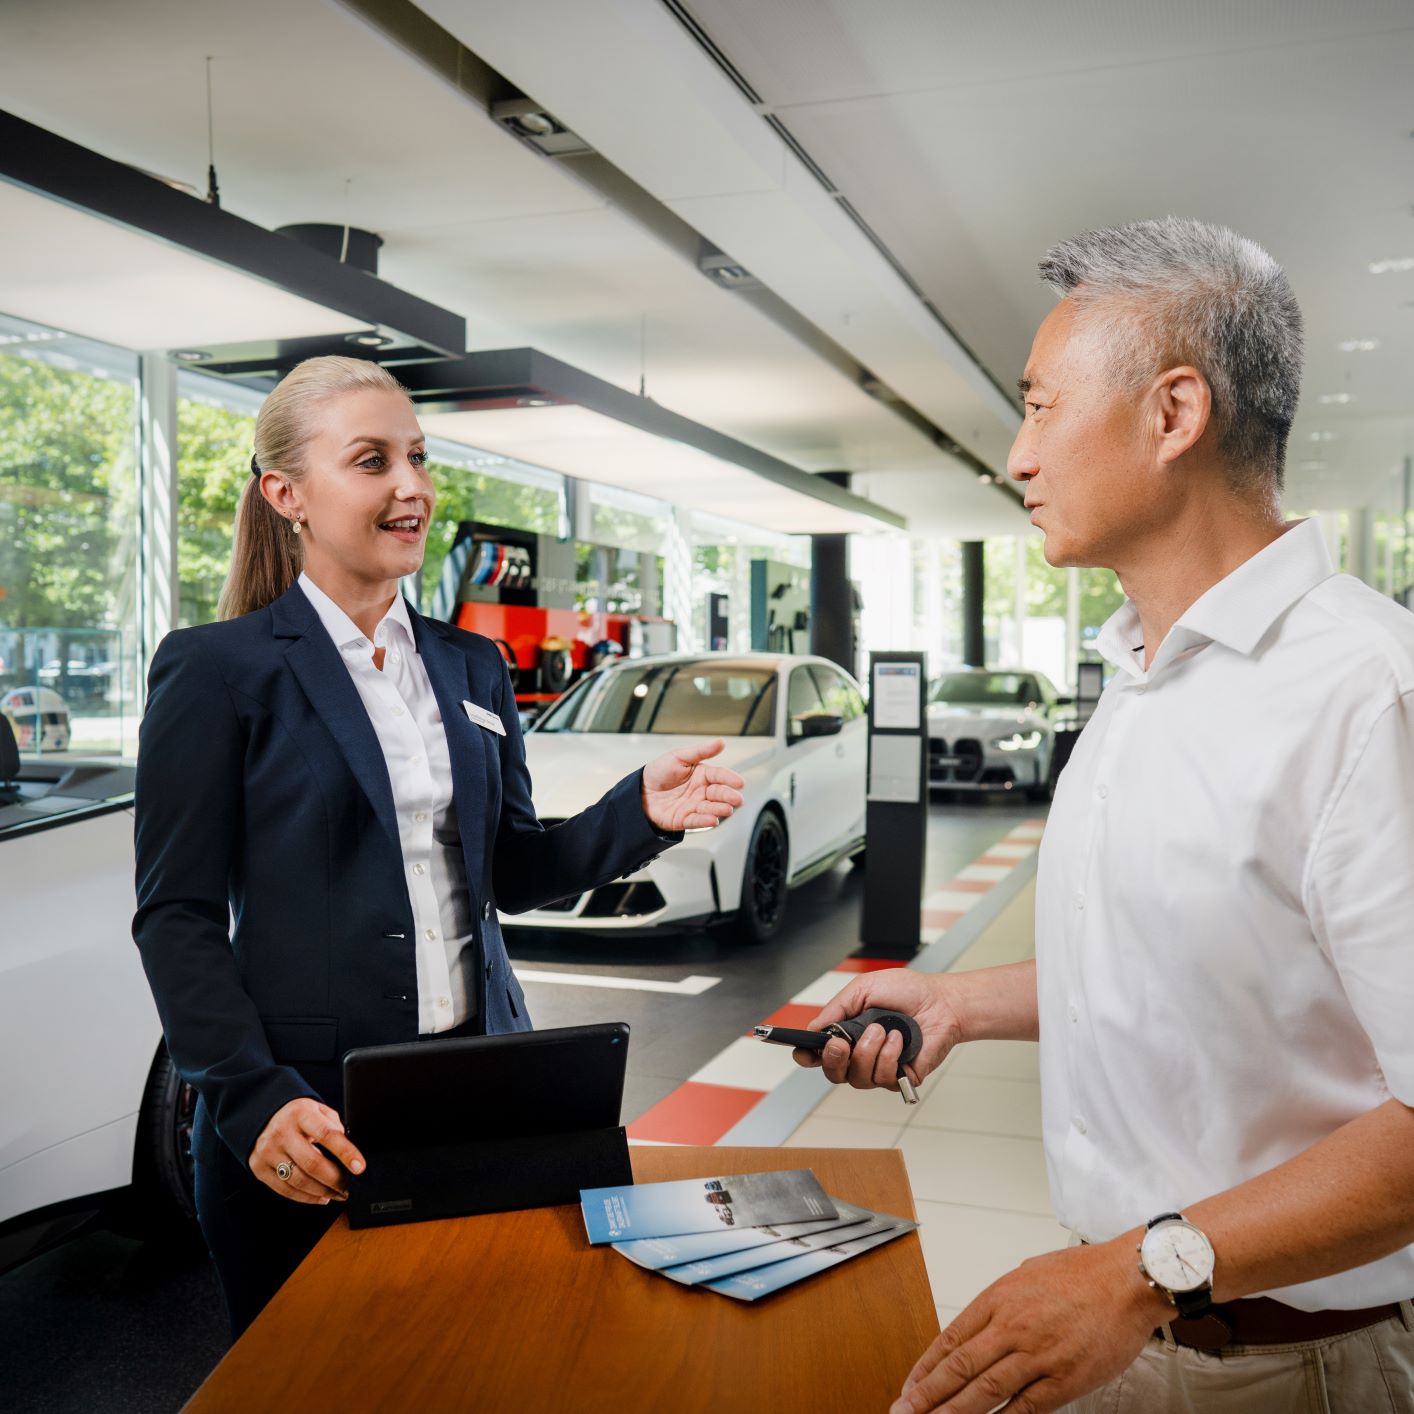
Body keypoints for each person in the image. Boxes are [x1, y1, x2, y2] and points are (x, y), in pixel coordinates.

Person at [797, 218, 1414, 1413]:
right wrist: (960, 1004)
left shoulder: (1366, 694)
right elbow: (1182, 959)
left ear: (1172, 414)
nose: (1018, 455)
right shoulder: (1137, 671)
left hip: (1288, 1363)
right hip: (1123, 1323)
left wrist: (1138, 1273)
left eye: (1040, 407)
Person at [132, 355, 745, 1338]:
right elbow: (177, 918)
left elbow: (511, 867)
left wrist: (639, 812)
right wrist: (249, 1098)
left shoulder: (471, 663)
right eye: (372, 460)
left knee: (492, 1361)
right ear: (286, 493)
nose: (411, 486)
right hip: (311, 1118)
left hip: (481, 1094)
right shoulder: (218, 671)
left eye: (417, 457)